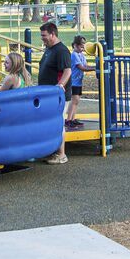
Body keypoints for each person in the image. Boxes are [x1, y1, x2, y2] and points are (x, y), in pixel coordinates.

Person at [37, 20, 74, 163]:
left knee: (58, 123)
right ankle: (54, 151)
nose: (42, 38)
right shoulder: (50, 49)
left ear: (53, 34)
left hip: (58, 96)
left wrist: (59, 86)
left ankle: (62, 154)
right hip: (48, 94)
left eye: (44, 35)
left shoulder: (62, 50)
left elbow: (68, 70)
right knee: (51, 123)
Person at [68, 35, 89, 125]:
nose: (82, 48)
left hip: (78, 82)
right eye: (81, 46)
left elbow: (86, 66)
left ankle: (73, 118)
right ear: (75, 45)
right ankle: (68, 120)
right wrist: (95, 68)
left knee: (76, 101)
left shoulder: (81, 55)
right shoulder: (74, 55)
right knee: (74, 100)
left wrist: (96, 66)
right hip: (73, 82)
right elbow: (81, 67)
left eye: (83, 46)